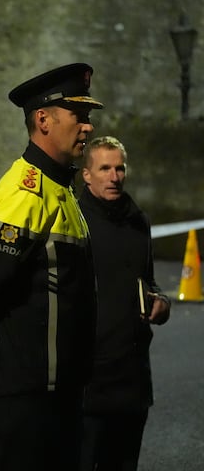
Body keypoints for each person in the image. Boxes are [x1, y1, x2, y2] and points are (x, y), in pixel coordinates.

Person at [0, 63, 102, 471]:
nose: (88, 128)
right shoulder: (25, 192)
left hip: (61, 391)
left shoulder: (60, 189)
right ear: (43, 119)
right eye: (80, 116)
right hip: (28, 396)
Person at [77, 135, 171, 471]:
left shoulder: (137, 221)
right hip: (87, 382)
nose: (114, 176)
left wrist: (161, 302)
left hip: (131, 379)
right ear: (86, 174)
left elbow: (148, 281)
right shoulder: (73, 222)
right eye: (105, 168)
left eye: (120, 168)